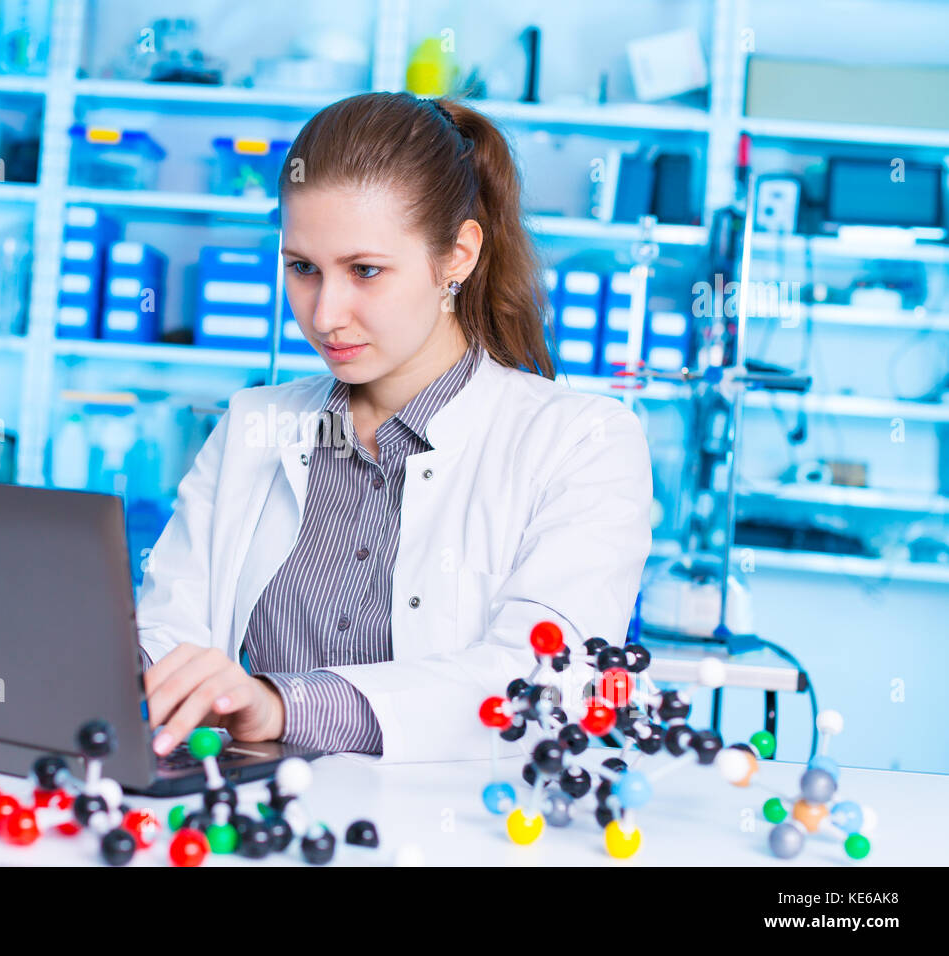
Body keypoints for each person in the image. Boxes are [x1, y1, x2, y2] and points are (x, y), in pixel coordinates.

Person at [135, 92, 653, 763]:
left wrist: (282, 704)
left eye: (366, 271)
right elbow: (167, 630)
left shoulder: (581, 441)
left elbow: (542, 682)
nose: (325, 315)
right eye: (303, 269)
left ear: (457, 257)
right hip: (248, 821)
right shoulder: (253, 425)